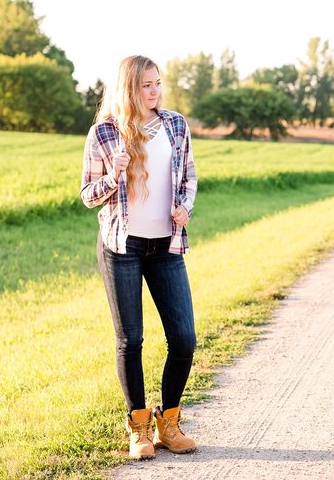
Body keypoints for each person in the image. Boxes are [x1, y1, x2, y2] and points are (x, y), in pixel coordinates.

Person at [80, 54, 199, 460]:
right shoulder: (104, 134)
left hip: (166, 245)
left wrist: (185, 207)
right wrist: (114, 176)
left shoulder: (175, 125)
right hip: (122, 245)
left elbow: (188, 178)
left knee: (184, 339)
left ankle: (169, 421)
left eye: (158, 83)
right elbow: (87, 195)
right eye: (146, 85)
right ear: (128, 89)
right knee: (131, 340)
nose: (155, 91)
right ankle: (140, 428)